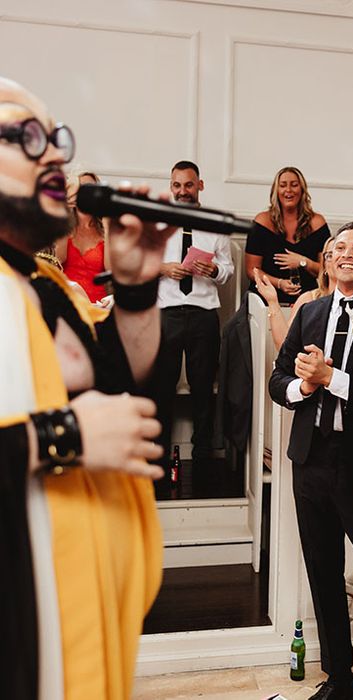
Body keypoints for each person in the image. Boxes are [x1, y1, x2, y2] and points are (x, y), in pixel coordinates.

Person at [0, 77, 170, 700]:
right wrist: (63, 437)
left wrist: (135, 287)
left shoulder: (47, 289)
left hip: (82, 629)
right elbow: (81, 430)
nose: (54, 155)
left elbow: (120, 391)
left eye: (56, 139)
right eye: (25, 134)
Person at [268, 222, 353, 700]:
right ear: (327, 260)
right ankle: (340, 679)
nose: (346, 254)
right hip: (310, 461)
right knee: (322, 571)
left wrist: (333, 377)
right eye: (338, 248)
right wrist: (304, 387)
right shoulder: (309, 314)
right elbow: (278, 381)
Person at [156, 160, 234, 482]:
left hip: (203, 316)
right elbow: (141, 262)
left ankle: (202, 458)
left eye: (189, 185)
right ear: (170, 186)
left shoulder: (215, 224)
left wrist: (213, 270)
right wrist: (165, 268)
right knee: (161, 389)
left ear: (199, 185)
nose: (182, 192)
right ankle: (158, 459)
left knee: (204, 391)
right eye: (177, 185)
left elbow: (228, 271)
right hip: (166, 315)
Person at [246, 166, 329, 304]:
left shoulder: (317, 223)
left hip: (307, 300)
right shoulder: (262, 221)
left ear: (302, 190)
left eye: (294, 185)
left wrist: (303, 262)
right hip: (267, 298)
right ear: (276, 191)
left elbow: (327, 270)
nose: (288, 190)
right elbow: (251, 270)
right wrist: (279, 283)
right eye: (283, 185)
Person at [255, 236, 336, 350]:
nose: (338, 259)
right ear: (324, 266)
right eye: (330, 255)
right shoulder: (308, 299)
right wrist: (272, 301)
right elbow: (284, 345)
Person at [56, 169, 109, 302]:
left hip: (97, 303)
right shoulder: (63, 223)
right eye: (82, 189)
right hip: (67, 300)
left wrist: (108, 225)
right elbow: (58, 259)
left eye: (92, 189)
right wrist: (66, 213)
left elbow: (110, 269)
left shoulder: (104, 228)